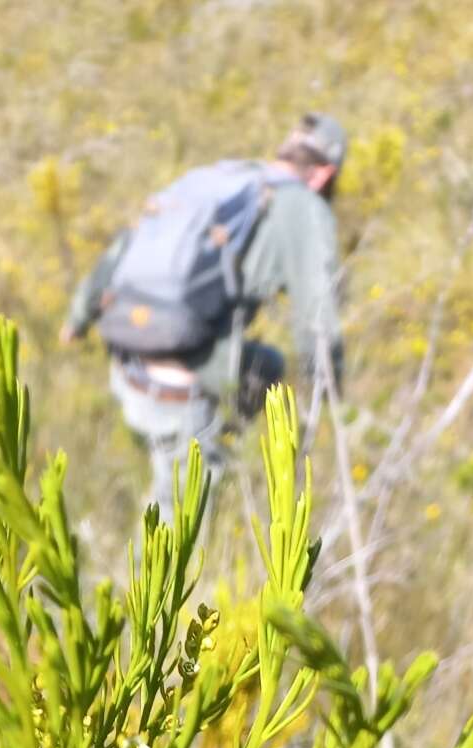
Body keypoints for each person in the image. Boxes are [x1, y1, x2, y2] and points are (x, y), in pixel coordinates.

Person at [62, 113, 347, 514]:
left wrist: (77, 317)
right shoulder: (303, 206)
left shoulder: (220, 178)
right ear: (325, 175)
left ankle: (217, 438)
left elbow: (124, 246)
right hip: (173, 386)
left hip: (125, 359)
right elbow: (318, 320)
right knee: (178, 532)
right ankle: (203, 447)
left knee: (266, 366)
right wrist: (332, 399)